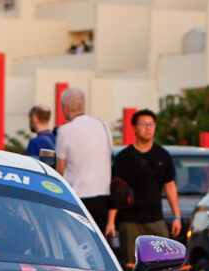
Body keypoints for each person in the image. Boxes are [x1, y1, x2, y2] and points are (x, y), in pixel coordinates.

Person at [107, 109, 182, 262]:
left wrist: (177, 216)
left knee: (162, 262)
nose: (148, 128)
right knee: (132, 263)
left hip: (156, 218)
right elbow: (117, 192)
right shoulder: (124, 157)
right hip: (130, 220)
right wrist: (110, 222)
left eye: (151, 124)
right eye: (143, 124)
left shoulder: (162, 155)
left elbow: (170, 186)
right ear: (134, 128)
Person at [55, 88, 112, 229]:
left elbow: (60, 169)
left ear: (67, 107)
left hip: (77, 197)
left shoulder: (65, 130)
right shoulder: (103, 125)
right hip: (103, 196)